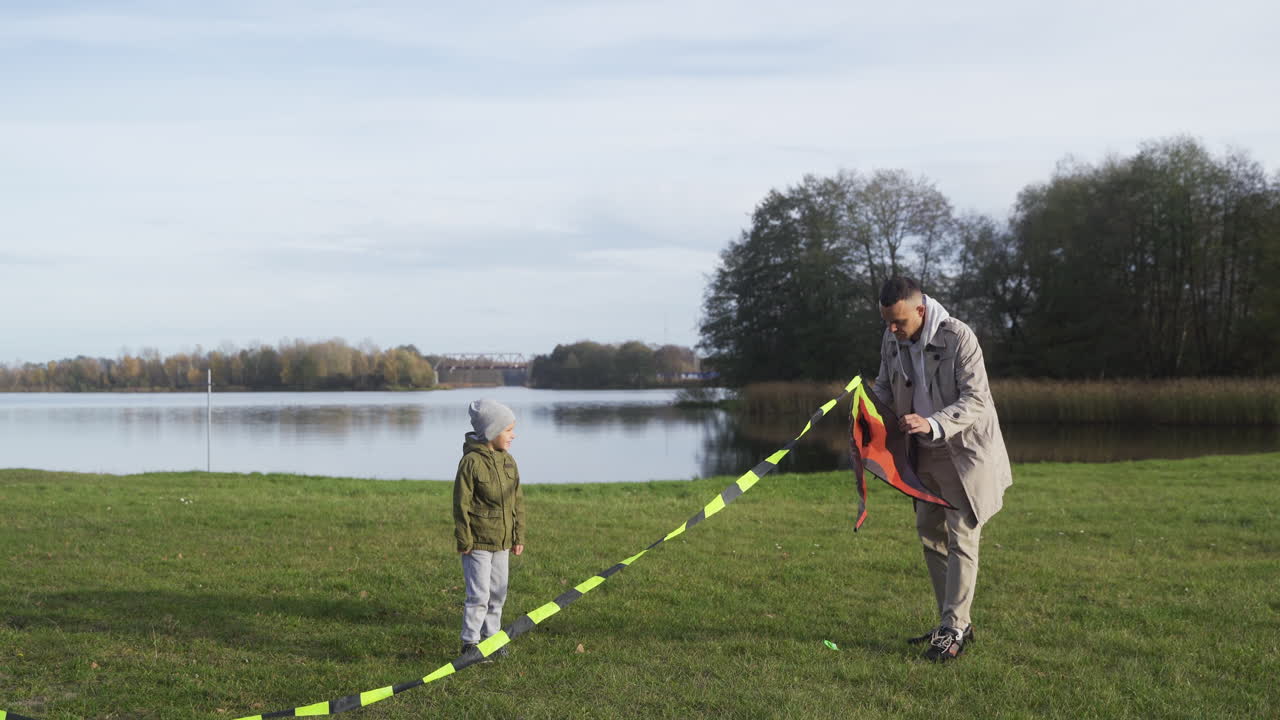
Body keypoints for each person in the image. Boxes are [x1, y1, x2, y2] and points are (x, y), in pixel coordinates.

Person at [872, 276, 1012, 662]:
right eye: (887, 322)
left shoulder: (959, 337)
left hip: (964, 451)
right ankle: (951, 622)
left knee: (962, 536)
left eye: (899, 321)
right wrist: (866, 415)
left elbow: (977, 399)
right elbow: (884, 388)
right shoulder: (891, 337)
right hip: (922, 453)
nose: (893, 330)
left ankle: (954, 628)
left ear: (921, 310)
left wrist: (932, 423)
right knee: (928, 533)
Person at [453, 398, 525, 660]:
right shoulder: (471, 462)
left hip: (503, 542)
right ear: (492, 431)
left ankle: (491, 640)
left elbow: (517, 501)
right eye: (508, 430)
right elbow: (460, 504)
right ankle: (470, 643)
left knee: (498, 593)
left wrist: (518, 535)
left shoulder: (509, 462)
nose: (513, 435)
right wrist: (464, 539)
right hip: (478, 543)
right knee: (479, 595)